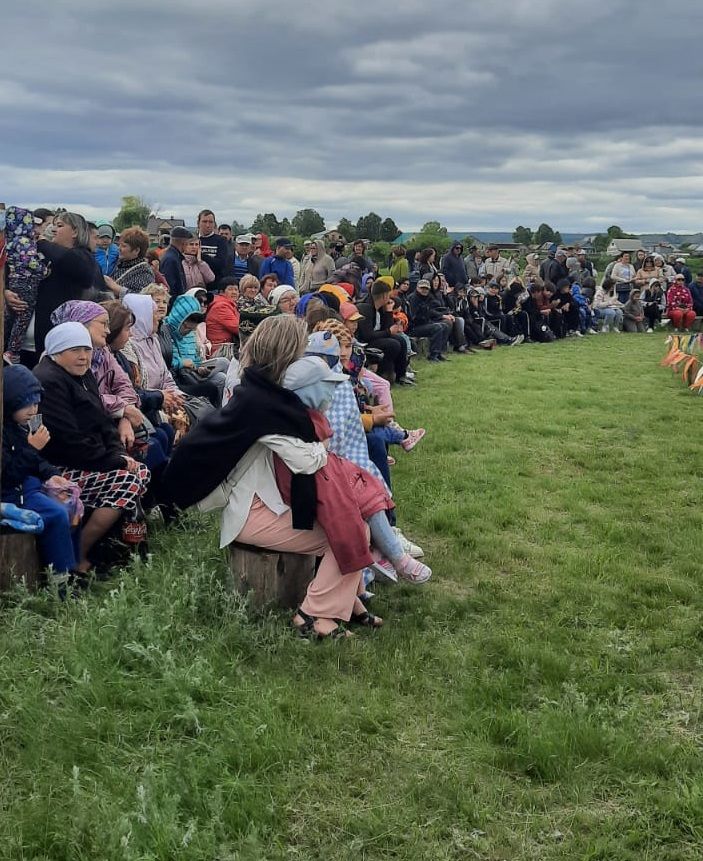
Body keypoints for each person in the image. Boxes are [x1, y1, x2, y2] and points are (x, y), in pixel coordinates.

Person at [163, 315, 368, 639]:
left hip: (265, 502)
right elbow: (308, 460)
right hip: (253, 510)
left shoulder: (263, 394)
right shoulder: (262, 404)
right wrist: (321, 443)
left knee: (353, 528)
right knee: (346, 534)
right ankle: (313, 615)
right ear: (287, 353)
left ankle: (346, 603)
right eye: (300, 350)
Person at [33, 322, 150, 573]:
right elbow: (67, 442)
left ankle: (103, 545)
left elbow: (103, 421)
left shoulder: (82, 374)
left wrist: (118, 452)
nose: (84, 356)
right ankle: (79, 554)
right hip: (62, 465)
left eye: (86, 350)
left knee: (139, 471)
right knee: (126, 482)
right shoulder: (49, 380)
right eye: (75, 350)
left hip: (91, 457)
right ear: (57, 350)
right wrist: (113, 461)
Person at [2, 365, 82, 583]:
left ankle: (73, 567)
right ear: (10, 403)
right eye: (26, 404)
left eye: (36, 403)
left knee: (71, 506)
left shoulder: (21, 426)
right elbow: (8, 475)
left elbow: (35, 463)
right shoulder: (5, 432)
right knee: (56, 516)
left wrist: (51, 474)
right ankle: (60, 580)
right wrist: (32, 448)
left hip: (27, 488)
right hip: (11, 495)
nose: (33, 410)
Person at [6, 211, 98, 360]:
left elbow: (70, 262)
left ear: (75, 231)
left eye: (59, 225)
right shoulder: (39, 254)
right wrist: (6, 293)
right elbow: (11, 274)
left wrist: (41, 242)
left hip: (53, 346)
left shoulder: (83, 257)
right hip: (20, 344)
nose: (53, 229)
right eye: (52, 225)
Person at [3, 206, 49, 365]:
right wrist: (45, 270)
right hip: (27, 281)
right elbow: (31, 262)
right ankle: (12, 351)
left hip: (14, 280)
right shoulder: (25, 242)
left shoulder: (8, 241)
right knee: (23, 315)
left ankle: (6, 345)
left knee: (11, 315)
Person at [164, 294, 229, 404]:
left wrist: (199, 368)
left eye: (191, 329)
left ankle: (220, 410)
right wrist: (182, 363)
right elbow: (168, 360)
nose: (187, 331)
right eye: (186, 327)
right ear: (179, 319)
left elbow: (196, 357)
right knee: (219, 379)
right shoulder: (167, 331)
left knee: (223, 367)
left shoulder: (191, 333)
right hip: (181, 376)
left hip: (193, 372)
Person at [357, 280, 411, 384]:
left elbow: (387, 328)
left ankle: (401, 375)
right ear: (384, 296)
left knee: (401, 340)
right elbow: (367, 335)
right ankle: (383, 373)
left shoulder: (381, 308)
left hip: (378, 337)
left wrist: (389, 311)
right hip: (366, 341)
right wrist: (388, 332)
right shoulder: (365, 308)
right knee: (393, 344)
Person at [406, 278, 451, 361]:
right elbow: (413, 317)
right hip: (413, 327)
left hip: (424, 323)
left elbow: (430, 312)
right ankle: (433, 355)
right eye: (422, 288)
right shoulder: (413, 298)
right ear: (417, 288)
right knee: (437, 327)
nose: (424, 290)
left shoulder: (427, 298)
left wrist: (439, 316)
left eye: (426, 288)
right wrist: (427, 319)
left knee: (445, 326)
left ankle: (438, 353)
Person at [112, 227, 154, 294]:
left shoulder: (144, 272)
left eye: (123, 246)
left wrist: (114, 287)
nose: (119, 248)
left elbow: (140, 297)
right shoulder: (119, 263)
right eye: (119, 245)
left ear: (136, 250)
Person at [206, 279, 240, 357]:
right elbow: (237, 328)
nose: (234, 292)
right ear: (221, 292)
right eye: (230, 289)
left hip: (227, 347)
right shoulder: (221, 306)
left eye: (236, 289)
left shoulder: (229, 304)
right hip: (220, 350)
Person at [196, 209, 229, 282]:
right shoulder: (192, 240)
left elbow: (221, 264)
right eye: (204, 221)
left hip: (214, 285)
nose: (208, 225)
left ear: (214, 224)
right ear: (198, 223)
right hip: (194, 285)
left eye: (211, 222)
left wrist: (200, 255)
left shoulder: (221, 240)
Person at [159, 226, 192, 298]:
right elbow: (169, 287)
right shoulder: (171, 260)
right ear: (184, 243)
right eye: (188, 243)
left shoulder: (173, 257)